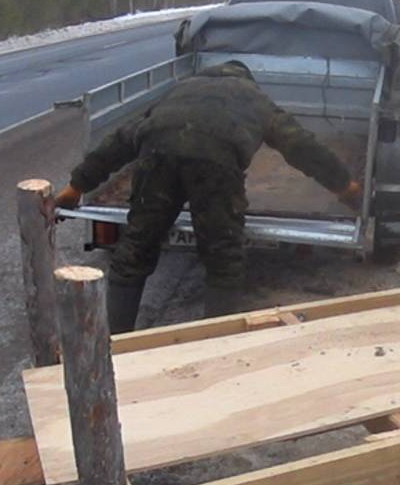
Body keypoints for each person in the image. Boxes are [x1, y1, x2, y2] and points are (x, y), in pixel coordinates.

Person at [54, 61, 361, 332]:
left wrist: (76, 187)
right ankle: (213, 346)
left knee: (134, 251)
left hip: (157, 155)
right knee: (223, 259)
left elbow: (120, 141)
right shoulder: (256, 99)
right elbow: (302, 148)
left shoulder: (180, 90)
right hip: (215, 165)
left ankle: (115, 342)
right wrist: (344, 187)